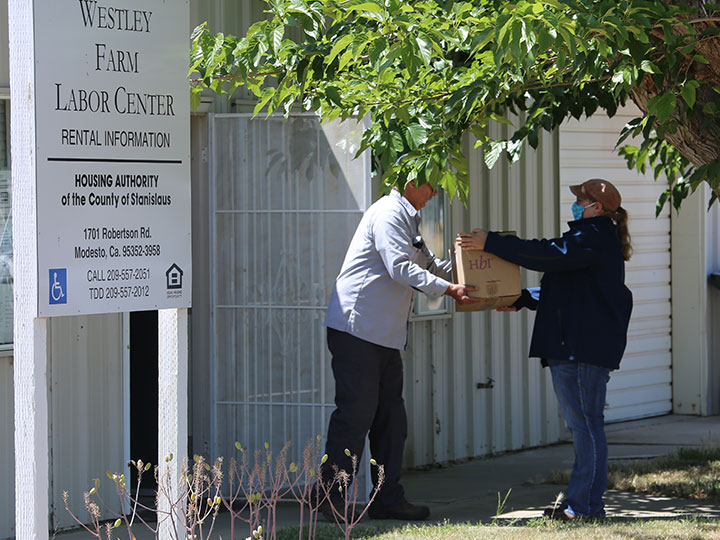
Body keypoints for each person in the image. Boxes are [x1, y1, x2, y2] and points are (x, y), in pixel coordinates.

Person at [456, 178, 633, 521]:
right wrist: (521, 299)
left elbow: (548, 255)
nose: (576, 204)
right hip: (577, 346)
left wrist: (492, 242)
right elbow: (569, 289)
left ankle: (582, 508)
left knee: (585, 428)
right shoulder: (591, 239)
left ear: (597, 207)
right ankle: (585, 506)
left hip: (580, 349)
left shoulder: (591, 236)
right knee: (586, 426)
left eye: (581, 199)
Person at [321, 180, 481, 521]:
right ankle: (329, 499)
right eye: (430, 185)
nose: (435, 193)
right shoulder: (389, 213)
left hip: (385, 335)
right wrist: (450, 290)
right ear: (409, 183)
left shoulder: (408, 218)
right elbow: (401, 268)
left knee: (392, 420)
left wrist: (476, 271)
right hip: (358, 329)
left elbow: (430, 265)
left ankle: (387, 498)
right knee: (356, 415)